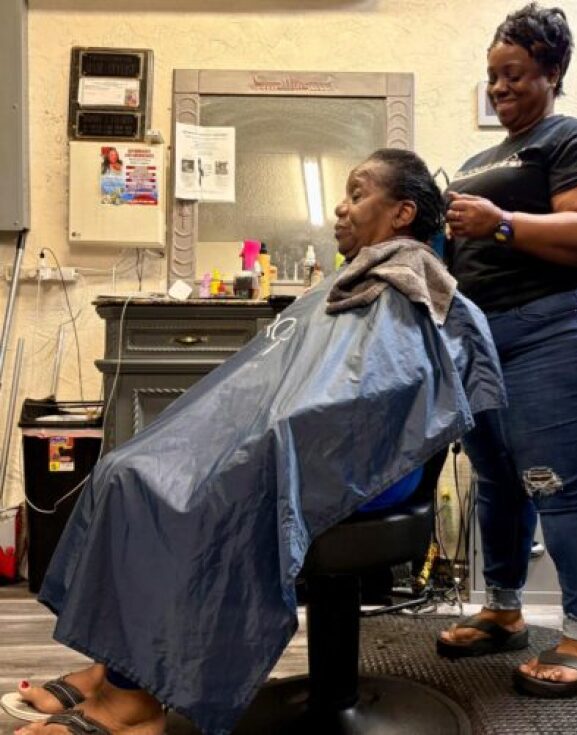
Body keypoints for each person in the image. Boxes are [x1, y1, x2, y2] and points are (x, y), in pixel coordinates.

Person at [9, 149, 504, 735]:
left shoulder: (413, 290)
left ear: (402, 213)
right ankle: (115, 670)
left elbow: (379, 403)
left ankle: (132, 708)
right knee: (127, 469)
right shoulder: (357, 282)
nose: (340, 210)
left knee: (179, 495)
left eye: (356, 193)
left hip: (366, 472)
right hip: (314, 448)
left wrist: (262, 443)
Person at [436, 3, 577, 698]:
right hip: (486, 337)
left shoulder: (576, 138)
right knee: (496, 479)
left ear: (553, 71)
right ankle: (504, 609)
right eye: (492, 76)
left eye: (514, 74)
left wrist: (503, 223)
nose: (500, 88)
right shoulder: (477, 159)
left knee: (558, 481)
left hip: (560, 326)